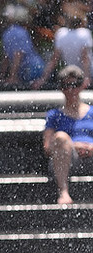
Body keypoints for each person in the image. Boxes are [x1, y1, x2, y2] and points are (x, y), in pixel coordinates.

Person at [43, 65, 92, 204]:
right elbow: (48, 147)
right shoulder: (54, 115)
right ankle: (63, 192)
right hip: (67, 159)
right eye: (66, 85)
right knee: (61, 137)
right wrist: (71, 145)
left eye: (75, 85)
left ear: (83, 85)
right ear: (60, 88)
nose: (71, 90)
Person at [33, 3, 93, 89]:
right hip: (88, 73)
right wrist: (87, 78)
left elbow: (54, 59)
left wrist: (43, 79)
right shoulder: (84, 33)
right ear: (82, 22)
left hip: (71, 73)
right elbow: (85, 58)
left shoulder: (61, 34)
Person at [0, 4, 45, 87]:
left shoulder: (8, 32)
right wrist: (10, 76)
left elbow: (16, 55)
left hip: (32, 69)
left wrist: (7, 77)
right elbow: (12, 56)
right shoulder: (20, 31)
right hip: (36, 67)